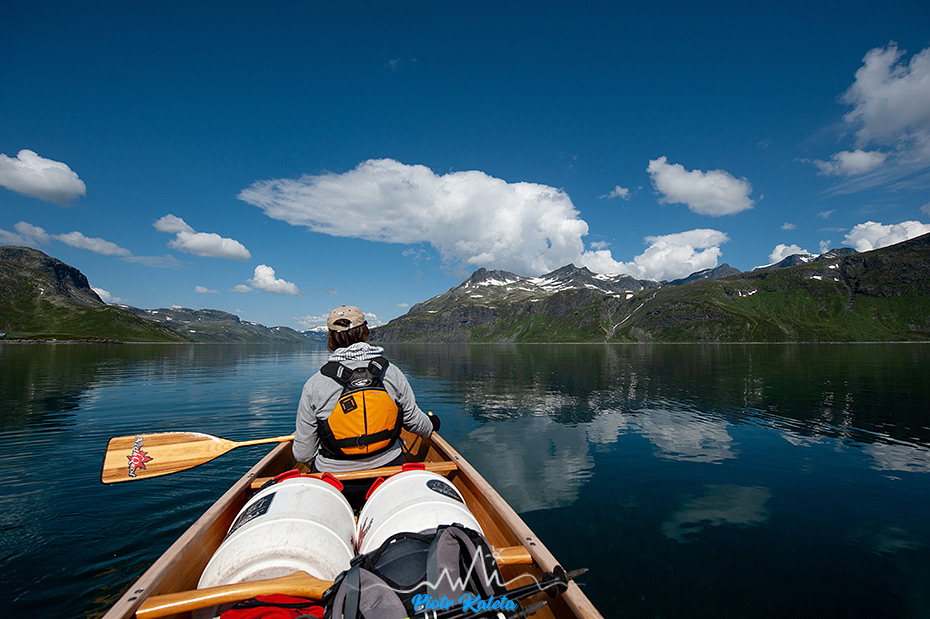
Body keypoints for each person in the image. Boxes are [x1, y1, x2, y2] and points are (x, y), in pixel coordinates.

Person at [293, 305, 438, 503]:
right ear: (365, 332)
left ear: (330, 338)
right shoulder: (391, 372)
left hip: (336, 483)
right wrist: (431, 424)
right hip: (389, 473)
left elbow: (303, 454)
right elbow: (414, 422)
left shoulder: (315, 384)